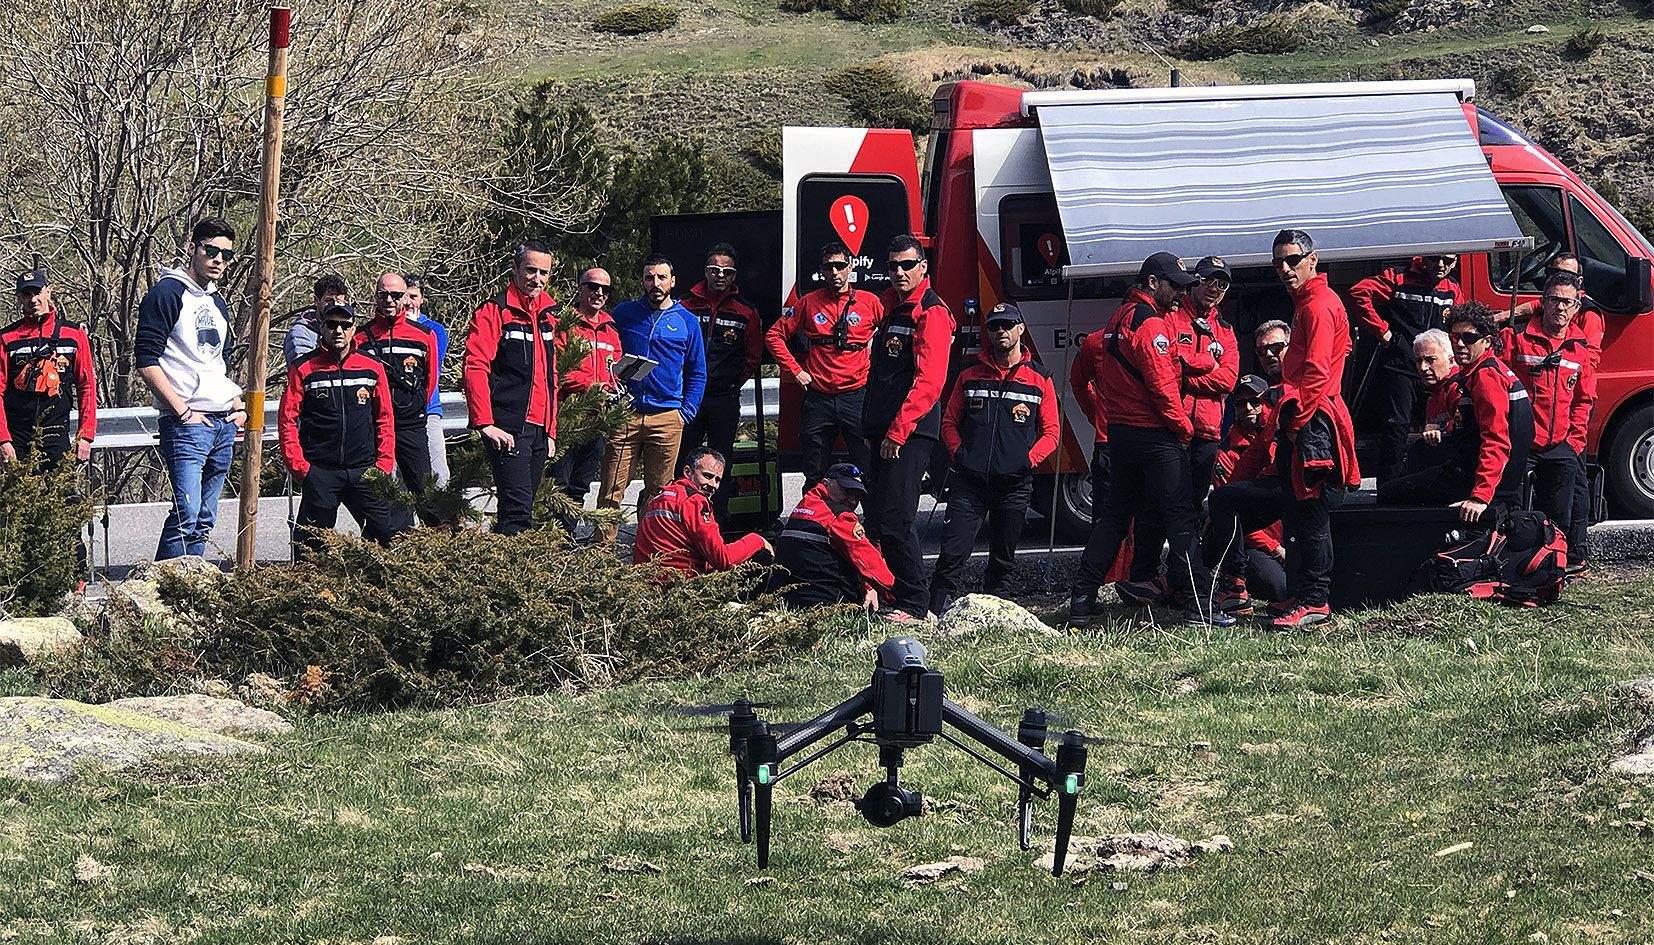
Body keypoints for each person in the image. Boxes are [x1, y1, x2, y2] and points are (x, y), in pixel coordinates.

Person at [1068, 252, 1231, 628]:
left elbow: (1094, 374)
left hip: (1121, 435)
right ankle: (1199, 606)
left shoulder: (1118, 319)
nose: (1179, 293)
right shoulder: (1152, 326)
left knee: (1113, 519)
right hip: (1155, 437)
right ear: (1153, 282)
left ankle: (1083, 597)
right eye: (1174, 285)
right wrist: (1183, 429)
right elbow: (1162, 388)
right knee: (1181, 519)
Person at [1257, 229, 1361, 627]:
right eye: (1278, 262)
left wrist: (1297, 424)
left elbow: (1316, 372)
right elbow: (1341, 351)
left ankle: (1315, 599)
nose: (1285, 269)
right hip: (1311, 412)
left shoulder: (1317, 305)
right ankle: (1304, 594)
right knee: (1299, 512)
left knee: (1311, 513)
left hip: (1312, 417)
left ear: (1312, 260)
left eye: (1293, 260)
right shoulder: (1314, 302)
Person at [926, 303, 1057, 614]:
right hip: (969, 483)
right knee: (953, 552)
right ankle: (936, 608)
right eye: (994, 326)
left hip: (1014, 485)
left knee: (1003, 557)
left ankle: (1000, 613)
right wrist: (960, 454)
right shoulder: (969, 375)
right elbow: (949, 422)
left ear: (1021, 330)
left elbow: (1052, 433)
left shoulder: (1040, 378)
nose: (1001, 331)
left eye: (1008, 325)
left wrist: (1026, 462)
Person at [136, 217, 248, 560]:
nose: (218, 260)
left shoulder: (217, 302)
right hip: (188, 423)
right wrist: (183, 412)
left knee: (204, 518)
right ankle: (160, 595)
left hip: (223, 422)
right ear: (192, 248)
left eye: (226, 255)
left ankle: (189, 594)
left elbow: (217, 363)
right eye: (211, 250)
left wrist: (237, 404)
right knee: (186, 513)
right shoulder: (167, 293)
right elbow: (145, 359)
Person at [862, 235, 954, 620]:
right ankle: (896, 592)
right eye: (893, 265)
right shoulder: (893, 307)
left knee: (899, 517)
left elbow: (929, 382)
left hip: (909, 432)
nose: (899, 272)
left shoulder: (930, 312)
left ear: (923, 268)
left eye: (907, 265)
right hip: (883, 430)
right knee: (881, 517)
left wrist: (898, 432)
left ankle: (916, 603)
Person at [1378, 305, 1532, 520]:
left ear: (1486, 341)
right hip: (1479, 476)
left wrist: (1480, 497)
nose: (1459, 343)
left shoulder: (1485, 377)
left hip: (1470, 480)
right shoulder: (1482, 372)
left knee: (1388, 493)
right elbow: (1470, 425)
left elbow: (1496, 440)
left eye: (1468, 338)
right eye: (1455, 337)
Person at [278, 303, 401, 554]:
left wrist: (384, 464)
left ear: (353, 329)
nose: (338, 330)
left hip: (365, 471)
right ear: (321, 328)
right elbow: (287, 419)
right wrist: (301, 468)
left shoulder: (372, 366)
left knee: (386, 542)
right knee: (310, 551)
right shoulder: (303, 368)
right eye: (332, 324)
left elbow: (385, 418)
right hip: (320, 472)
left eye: (345, 325)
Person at [601, 254, 707, 540]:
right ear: (642, 281)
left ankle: (648, 551)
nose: (655, 283)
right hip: (626, 414)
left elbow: (697, 370)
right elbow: (605, 351)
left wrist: (686, 412)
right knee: (611, 488)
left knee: (658, 493)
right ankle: (600, 557)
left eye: (661, 277)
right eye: (649, 277)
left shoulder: (687, 321)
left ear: (672, 282)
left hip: (667, 416)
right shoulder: (624, 314)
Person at [766, 241, 883, 485]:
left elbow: (893, 335)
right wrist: (795, 370)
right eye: (829, 267)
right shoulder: (808, 302)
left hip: (857, 397)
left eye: (840, 266)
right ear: (823, 270)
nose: (835, 273)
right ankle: (814, 523)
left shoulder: (870, 302)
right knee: (814, 471)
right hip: (819, 399)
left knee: (868, 469)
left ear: (850, 267)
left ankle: (873, 523)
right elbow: (773, 336)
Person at [464, 241, 559, 536]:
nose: (537, 279)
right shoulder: (495, 311)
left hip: (539, 430)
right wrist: (485, 423)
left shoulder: (548, 315)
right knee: (517, 516)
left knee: (521, 509)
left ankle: (504, 571)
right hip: (509, 428)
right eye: (531, 270)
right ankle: (513, 575)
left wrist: (550, 430)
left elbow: (550, 376)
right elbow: (475, 366)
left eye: (544, 272)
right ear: (514, 269)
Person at [1348, 254, 1464, 482]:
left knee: (1438, 427)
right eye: (1434, 258)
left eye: (1448, 260)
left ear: (1456, 262)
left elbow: (1458, 325)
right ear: (1423, 258)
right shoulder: (1399, 278)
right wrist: (1385, 334)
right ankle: (1387, 487)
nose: (1441, 265)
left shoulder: (1453, 289)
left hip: (1437, 375)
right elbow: (1359, 293)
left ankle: (1428, 482)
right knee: (1396, 428)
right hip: (1401, 367)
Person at [1503, 271, 1595, 558]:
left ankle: (1554, 563)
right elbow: (1500, 387)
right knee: (1512, 510)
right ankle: (1512, 562)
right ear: (1543, 301)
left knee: (1560, 515)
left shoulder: (1580, 350)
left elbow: (1584, 399)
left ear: (1577, 307)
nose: (1561, 308)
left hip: (1561, 446)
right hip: (1521, 443)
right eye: (1555, 300)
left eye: (1568, 302)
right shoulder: (1517, 340)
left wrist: (1574, 443)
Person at [678, 244, 762, 520]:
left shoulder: (746, 312)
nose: (720, 276)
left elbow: (753, 357)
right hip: (689, 397)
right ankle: (682, 518)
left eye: (727, 272)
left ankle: (716, 522)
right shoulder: (685, 305)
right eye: (714, 270)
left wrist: (731, 384)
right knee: (685, 459)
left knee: (720, 460)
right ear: (705, 271)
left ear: (734, 275)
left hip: (723, 398)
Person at [354, 272, 440, 528]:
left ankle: (440, 548)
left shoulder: (423, 335)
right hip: (374, 427)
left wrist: (413, 410)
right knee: (377, 494)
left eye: (396, 295)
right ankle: (385, 545)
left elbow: (430, 380)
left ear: (405, 297)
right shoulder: (360, 338)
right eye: (384, 295)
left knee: (425, 493)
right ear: (376, 297)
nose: (389, 300)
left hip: (410, 425)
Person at [1206, 376, 1287, 612]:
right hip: (1255, 544)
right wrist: (1275, 549)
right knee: (1281, 589)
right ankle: (1233, 585)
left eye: (1254, 401)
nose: (1248, 408)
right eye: (1240, 404)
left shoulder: (1280, 436)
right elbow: (1229, 521)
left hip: (1287, 534)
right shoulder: (1226, 454)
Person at [1, 267, 97, 467]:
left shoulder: (73, 335)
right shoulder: (6, 338)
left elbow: (86, 386)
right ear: (19, 298)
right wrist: (3, 440)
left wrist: (85, 435)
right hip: (17, 437)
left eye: (37, 292)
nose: (33, 299)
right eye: (26, 294)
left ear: (48, 292)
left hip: (57, 434)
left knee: (65, 497)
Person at [770, 462, 894, 611]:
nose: (852, 501)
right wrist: (903, 597)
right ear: (826, 483)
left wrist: (868, 587)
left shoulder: (803, 507)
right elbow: (868, 561)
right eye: (847, 491)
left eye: (858, 497)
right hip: (830, 602)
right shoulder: (838, 516)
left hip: (789, 601)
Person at [633, 447, 772, 575]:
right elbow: (724, 560)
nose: (713, 485)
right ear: (688, 472)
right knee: (758, 553)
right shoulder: (695, 501)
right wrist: (757, 540)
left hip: (646, 583)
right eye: (707, 476)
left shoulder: (659, 497)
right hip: (680, 587)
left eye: (717, 480)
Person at [550, 269, 620, 514]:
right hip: (568, 418)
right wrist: (590, 387)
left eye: (605, 289)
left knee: (580, 485)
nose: (599, 293)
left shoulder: (611, 330)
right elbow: (558, 369)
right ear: (580, 288)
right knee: (558, 484)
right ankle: (551, 542)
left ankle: (568, 542)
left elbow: (616, 370)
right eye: (592, 286)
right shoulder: (564, 325)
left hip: (597, 421)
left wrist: (616, 385)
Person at [404, 275, 452, 489]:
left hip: (428, 409)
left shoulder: (435, 330)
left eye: (413, 296)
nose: (408, 302)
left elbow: (431, 369)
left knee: (438, 473)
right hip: (399, 413)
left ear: (422, 299)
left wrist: (411, 328)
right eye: (404, 296)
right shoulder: (388, 331)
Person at [284, 274, 351, 369]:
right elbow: (302, 369)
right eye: (329, 300)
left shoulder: (349, 329)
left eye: (339, 301)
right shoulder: (301, 333)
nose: (334, 305)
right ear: (316, 300)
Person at [1254, 320, 1290, 386]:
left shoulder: (1307, 383)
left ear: (1290, 347)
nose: (1268, 354)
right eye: (1261, 350)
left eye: (1275, 347)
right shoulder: (1263, 393)